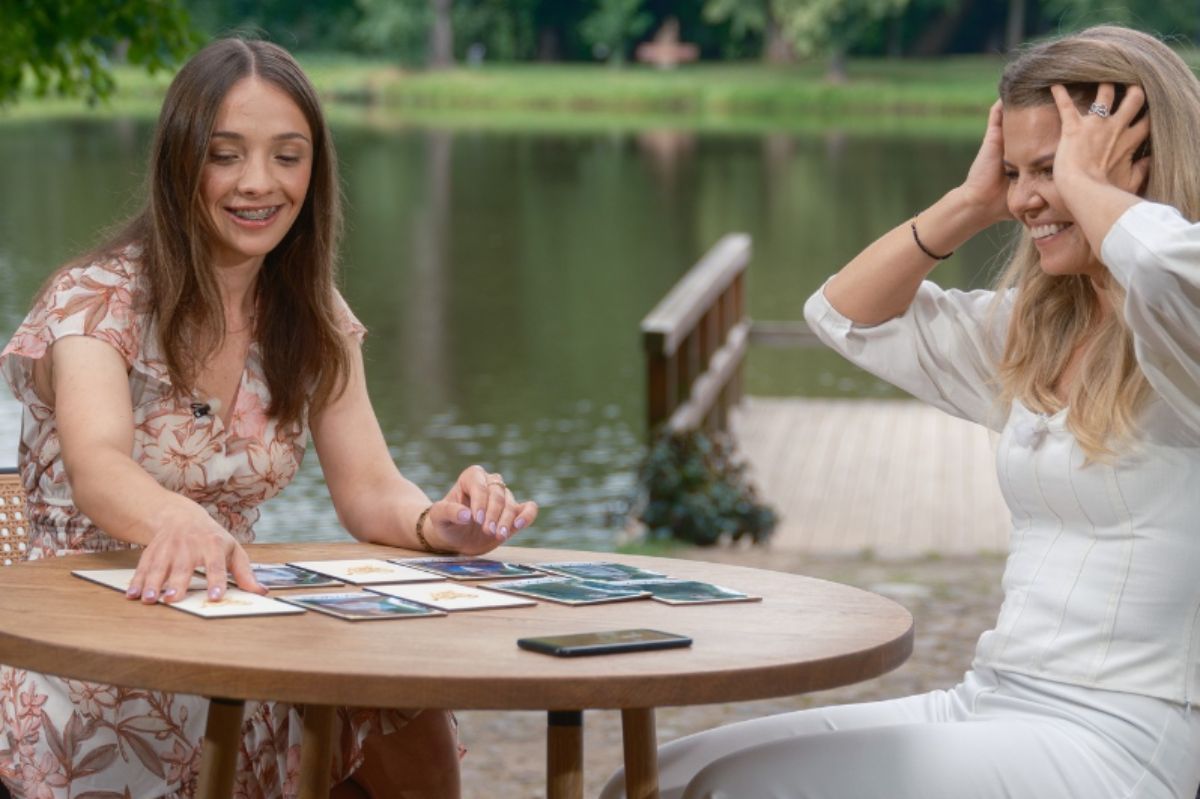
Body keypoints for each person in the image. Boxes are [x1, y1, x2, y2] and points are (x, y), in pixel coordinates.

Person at [602, 24, 1200, 799]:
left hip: (1125, 737)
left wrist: (1091, 191)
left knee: (744, 791)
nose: (1026, 199)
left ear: (1138, 158)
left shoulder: (1179, 338)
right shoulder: (1033, 329)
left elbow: (1164, 269)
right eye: (1015, 171)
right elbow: (846, 315)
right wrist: (968, 202)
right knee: (657, 777)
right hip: (996, 698)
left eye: (1053, 168)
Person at [0, 37, 538, 798]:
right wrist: (175, 518)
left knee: (397, 688)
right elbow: (98, 466)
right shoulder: (97, 299)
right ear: (181, 161)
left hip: (232, 624)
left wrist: (438, 523)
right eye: (227, 154)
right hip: (89, 649)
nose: (260, 183)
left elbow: (370, 488)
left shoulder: (311, 316)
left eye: (289, 156)